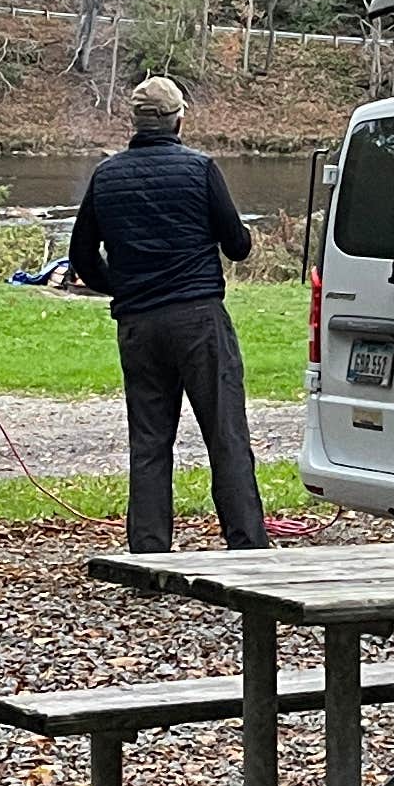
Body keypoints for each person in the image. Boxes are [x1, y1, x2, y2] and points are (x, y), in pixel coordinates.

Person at [69, 75, 268, 554]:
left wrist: (122, 285)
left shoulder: (106, 176)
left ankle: (150, 549)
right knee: (225, 435)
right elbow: (237, 247)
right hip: (198, 318)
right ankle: (246, 547)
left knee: (151, 441)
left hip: (139, 325)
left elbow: (81, 256)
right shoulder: (200, 169)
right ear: (180, 118)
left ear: (134, 121)